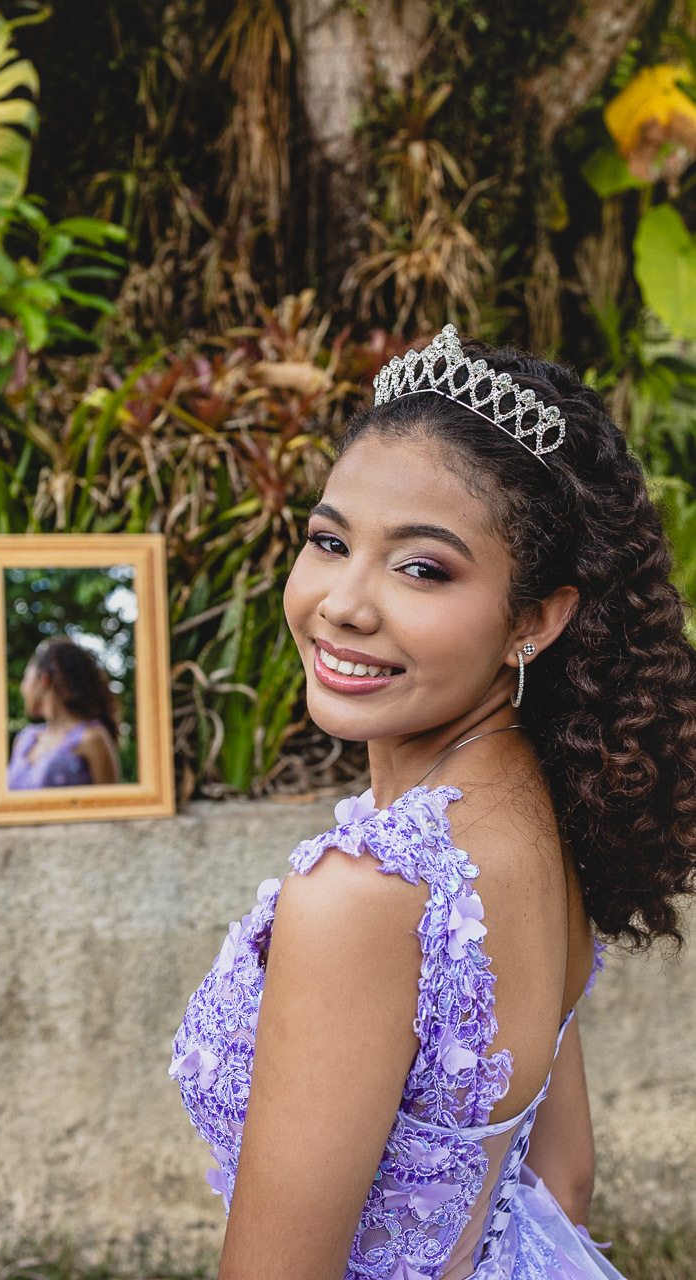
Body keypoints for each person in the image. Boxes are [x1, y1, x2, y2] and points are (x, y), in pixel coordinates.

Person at [168, 324, 696, 1279]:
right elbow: (561, 1181)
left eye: (421, 567)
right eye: (330, 542)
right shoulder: (544, 817)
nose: (343, 603)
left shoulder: (365, 899)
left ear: (534, 620)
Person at [6, 635, 122, 788]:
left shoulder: (92, 738)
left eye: (26, 678)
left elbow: (112, 806)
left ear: (44, 679)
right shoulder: (24, 740)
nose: (22, 688)